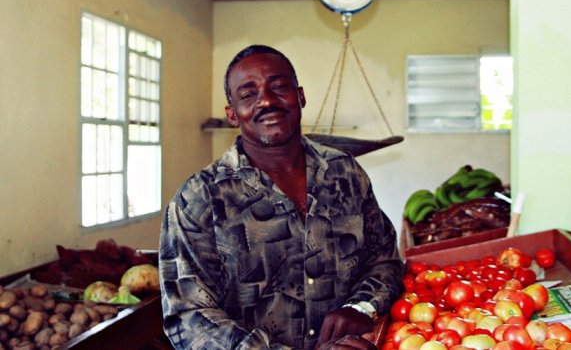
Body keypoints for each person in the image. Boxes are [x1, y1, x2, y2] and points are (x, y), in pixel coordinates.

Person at [159, 44, 403, 350]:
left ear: (300, 96)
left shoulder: (346, 175)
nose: (267, 100)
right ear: (232, 114)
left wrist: (361, 306)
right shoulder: (200, 198)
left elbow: (384, 261)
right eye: (248, 94)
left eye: (279, 86)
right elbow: (189, 318)